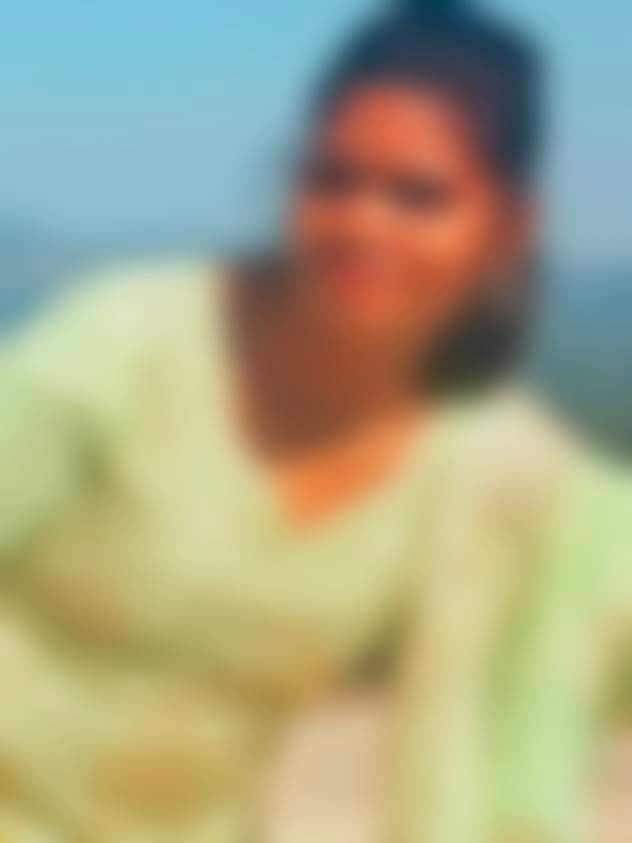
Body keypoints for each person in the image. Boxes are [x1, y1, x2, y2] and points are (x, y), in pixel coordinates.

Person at [1, 1, 631, 841]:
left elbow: (556, 668)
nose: (363, 222)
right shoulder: (130, 349)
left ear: (508, 223)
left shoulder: (491, 476)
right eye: (331, 178)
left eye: (418, 195)